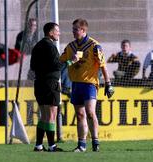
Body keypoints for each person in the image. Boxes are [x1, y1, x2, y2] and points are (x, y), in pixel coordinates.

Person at [59, 18, 114, 152]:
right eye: (72, 30)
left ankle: (95, 142)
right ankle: (81, 145)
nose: (73, 32)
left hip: (90, 84)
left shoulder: (94, 46)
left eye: (75, 30)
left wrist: (108, 83)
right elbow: (60, 62)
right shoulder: (70, 47)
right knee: (79, 114)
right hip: (76, 84)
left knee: (90, 112)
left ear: (83, 30)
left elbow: (103, 66)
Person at [30, 22, 63, 152]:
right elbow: (58, 65)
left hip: (39, 83)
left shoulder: (37, 46)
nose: (59, 33)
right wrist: (71, 60)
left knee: (43, 116)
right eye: (57, 31)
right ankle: (51, 146)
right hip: (50, 84)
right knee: (51, 115)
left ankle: (38, 145)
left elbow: (33, 66)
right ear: (50, 32)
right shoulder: (51, 47)